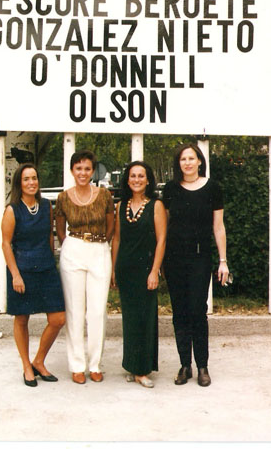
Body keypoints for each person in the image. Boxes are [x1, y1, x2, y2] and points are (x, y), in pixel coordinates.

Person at [162, 143, 229, 387]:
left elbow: (218, 227)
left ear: (200, 161)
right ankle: (184, 366)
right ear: (178, 164)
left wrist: (223, 261)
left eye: (191, 158)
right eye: (183, 159)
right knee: (179, 313)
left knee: (198, 312)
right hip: (174, 259)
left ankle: (202, 366)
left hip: (200, 258)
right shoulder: (170, 189)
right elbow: (164, 226)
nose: (187, 163)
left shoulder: (213, 188)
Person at [1, 163, 65, 387]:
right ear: (19, 183)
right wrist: (15, 275)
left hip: (46, 268)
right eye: (26, 179)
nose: (31, 183)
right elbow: (6, 245)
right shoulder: (12, 210)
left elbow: (49, 236)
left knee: (58, 319)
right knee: (22, 318)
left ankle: (39, 361)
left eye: (34, 178)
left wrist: (50, 259)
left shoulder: (47, 206)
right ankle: (26, 366)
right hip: (23, 271)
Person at [55, 150, 114, 384]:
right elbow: (60, 229)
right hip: (73, 251)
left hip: (99, 250)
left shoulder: (104, 195)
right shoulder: (63, 198)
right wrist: (72, 245)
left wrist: (100, 244)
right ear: (72, 171)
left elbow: (111, 225)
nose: (83, 173)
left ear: (93, 171)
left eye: (87, 168)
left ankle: (95, 364)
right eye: (78, 168)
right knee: (75, 311)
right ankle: (77, 364)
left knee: (97, 311)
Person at [112, 161, 167, 388]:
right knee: (130, 320)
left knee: (145, 319)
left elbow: (162, 239)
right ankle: (132, 366)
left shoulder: (156, 206)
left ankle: (143, 370)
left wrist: (155, 271)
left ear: (148, 180)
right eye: (132, 176)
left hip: (146, 270)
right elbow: (117, 238)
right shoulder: (120, 206)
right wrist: (114, 269)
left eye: (141, 176)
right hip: (126, 268)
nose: (136, 179)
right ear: (127, 179)